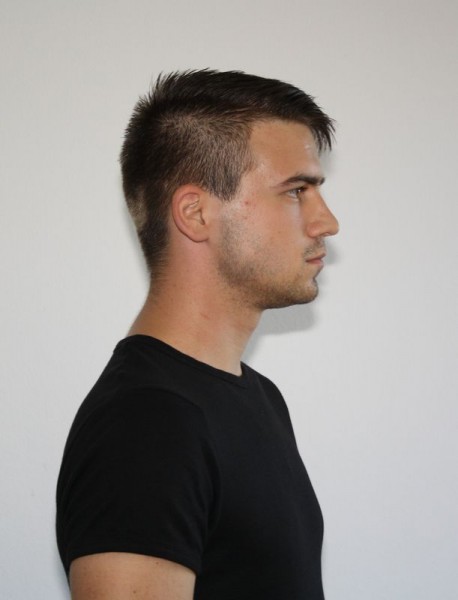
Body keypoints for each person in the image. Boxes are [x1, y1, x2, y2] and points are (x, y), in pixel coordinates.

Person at [56, 69, 339, 600]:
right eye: (296, 191)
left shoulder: (258, 398)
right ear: (195, 213)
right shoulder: (145, 425)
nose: (326, 222)